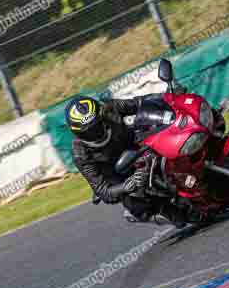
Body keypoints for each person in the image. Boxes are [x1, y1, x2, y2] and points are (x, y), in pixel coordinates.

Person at [66, 95, 195, 228]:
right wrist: (129, 184)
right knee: (176, 217)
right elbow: (103, 191)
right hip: (118, 175)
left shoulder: (112, 108)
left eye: (98, 125)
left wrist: (167, 97)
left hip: (138, 147)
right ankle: (157, 210)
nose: (96, 132)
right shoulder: (80, 153)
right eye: (89, 132)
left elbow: (140, 102)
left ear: (103, 115)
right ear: (79, 134)